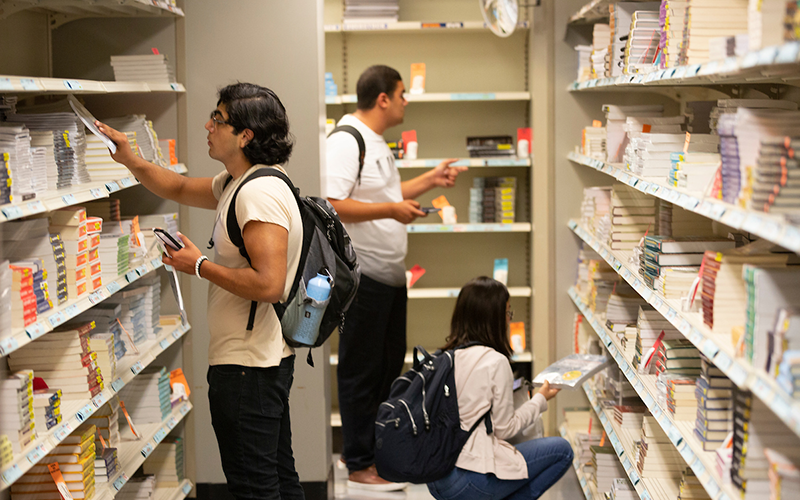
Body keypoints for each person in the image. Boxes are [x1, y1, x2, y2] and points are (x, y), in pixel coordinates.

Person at [96, 83, 305, 500]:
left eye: (219, 119)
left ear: (245, 135)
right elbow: (176, 187)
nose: (208, 125)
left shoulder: (258, 193)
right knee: (278, 479)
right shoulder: (239, 181)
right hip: (258, 360)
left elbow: (269, 283)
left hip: (249, 367)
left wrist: (199, 265)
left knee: (256, 488)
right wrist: (131, 159)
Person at [324, 64, 468, 491]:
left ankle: (383, 455)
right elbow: (331, 202)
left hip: (389, 277)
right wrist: (390, 212)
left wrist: (430, 180)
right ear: (383, 98)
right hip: (362, 277)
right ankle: (359, 462)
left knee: (387, 367)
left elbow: (386, 195)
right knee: (360, 371)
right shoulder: (346, 140)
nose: (407, 100)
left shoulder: (375, 142)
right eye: (402, 93)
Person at [426, 277, 573, 500]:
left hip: (435, 477)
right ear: (493, 318)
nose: (509, 320)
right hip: (468, 479)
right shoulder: (495, 361)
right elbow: (505, 428)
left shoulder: (447, 356)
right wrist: (539, 400)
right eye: (507, 313)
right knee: (562, 450)